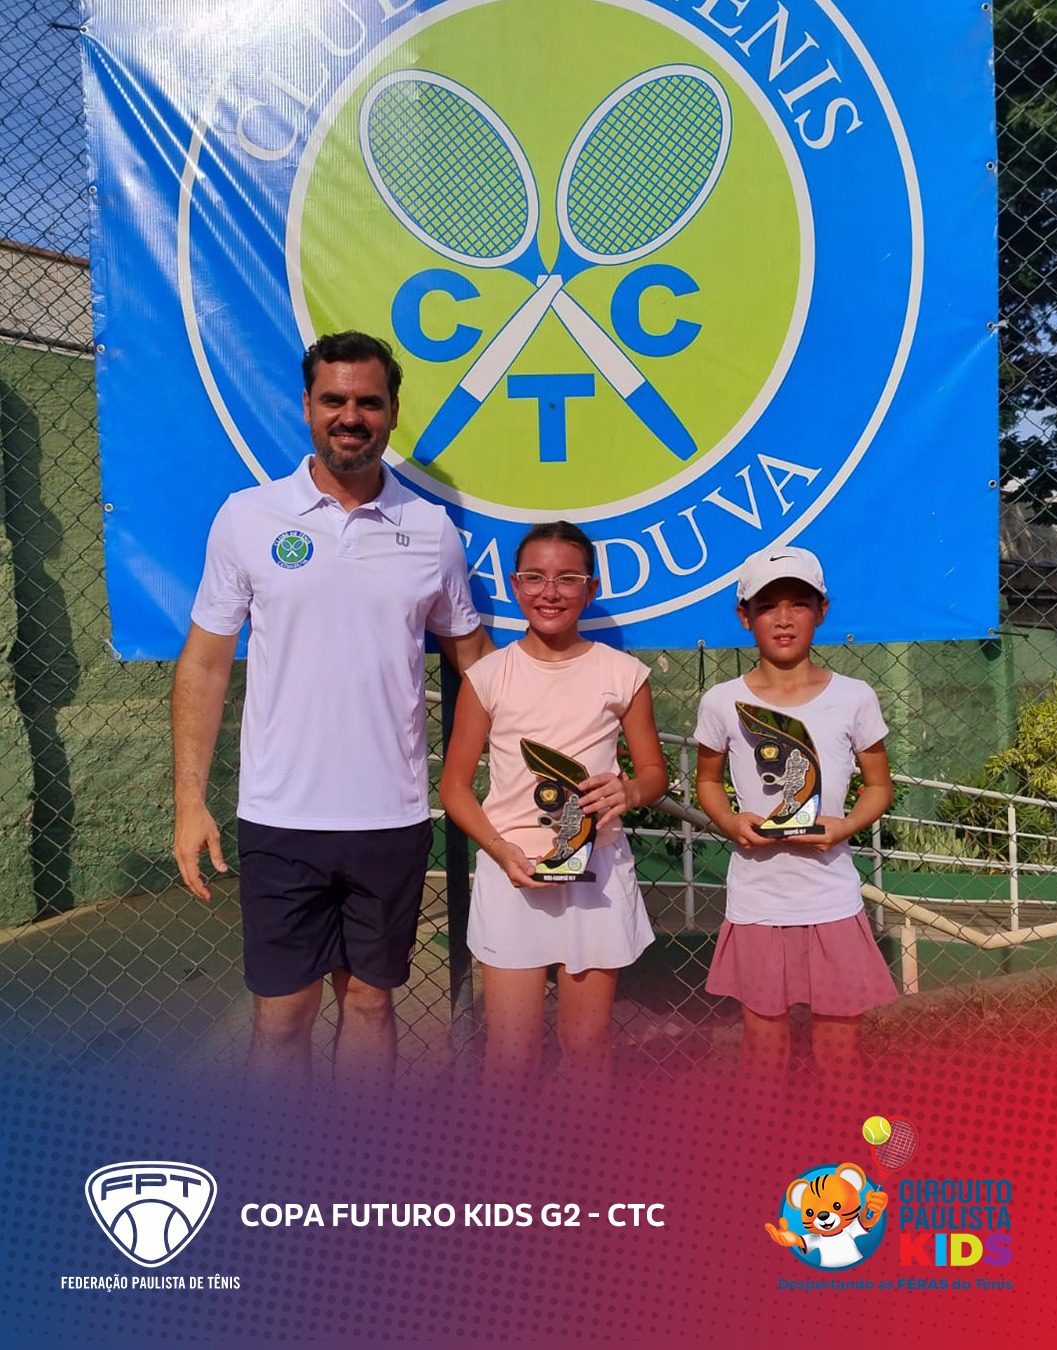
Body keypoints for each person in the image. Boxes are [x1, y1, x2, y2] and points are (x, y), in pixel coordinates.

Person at [172, 331, 492, 1096]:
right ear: (308, 406)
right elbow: (205, 663)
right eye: (335, 400)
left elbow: (476, 662)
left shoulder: (431, 530)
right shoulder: (248, 517)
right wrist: (189, 802)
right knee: (282, 1019)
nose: (351, 416)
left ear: (393, 411)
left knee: (372, 1006)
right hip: (280, 819)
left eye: (368, 402)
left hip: (391, 819)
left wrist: (531, 758)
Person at [439, 521, 668, 1098]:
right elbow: (455, 788)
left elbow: (654, 774)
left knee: (586, 1046)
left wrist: (630, 792)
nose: (550, 592)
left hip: (596, 876)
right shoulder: (487, 676)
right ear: (515, 585)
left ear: (591, 589)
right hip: (512, 875)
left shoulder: (623, 674)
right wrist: (502, 851)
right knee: (511, 1055)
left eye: (568, 579)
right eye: (535, 578)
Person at [694, 546, 896, 1084]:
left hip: (832, 900)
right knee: (763, 1060)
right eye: (767, 606)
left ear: (822, 611)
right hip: (757, 903)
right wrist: (731, 822)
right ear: (744, 617)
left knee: (840, 1060)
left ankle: (842, 1144)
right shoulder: (721, 701)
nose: (784, 619)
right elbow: (707, 782)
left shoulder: (854, 697)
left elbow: (879, 787)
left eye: (799, 604)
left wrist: (845, 826)